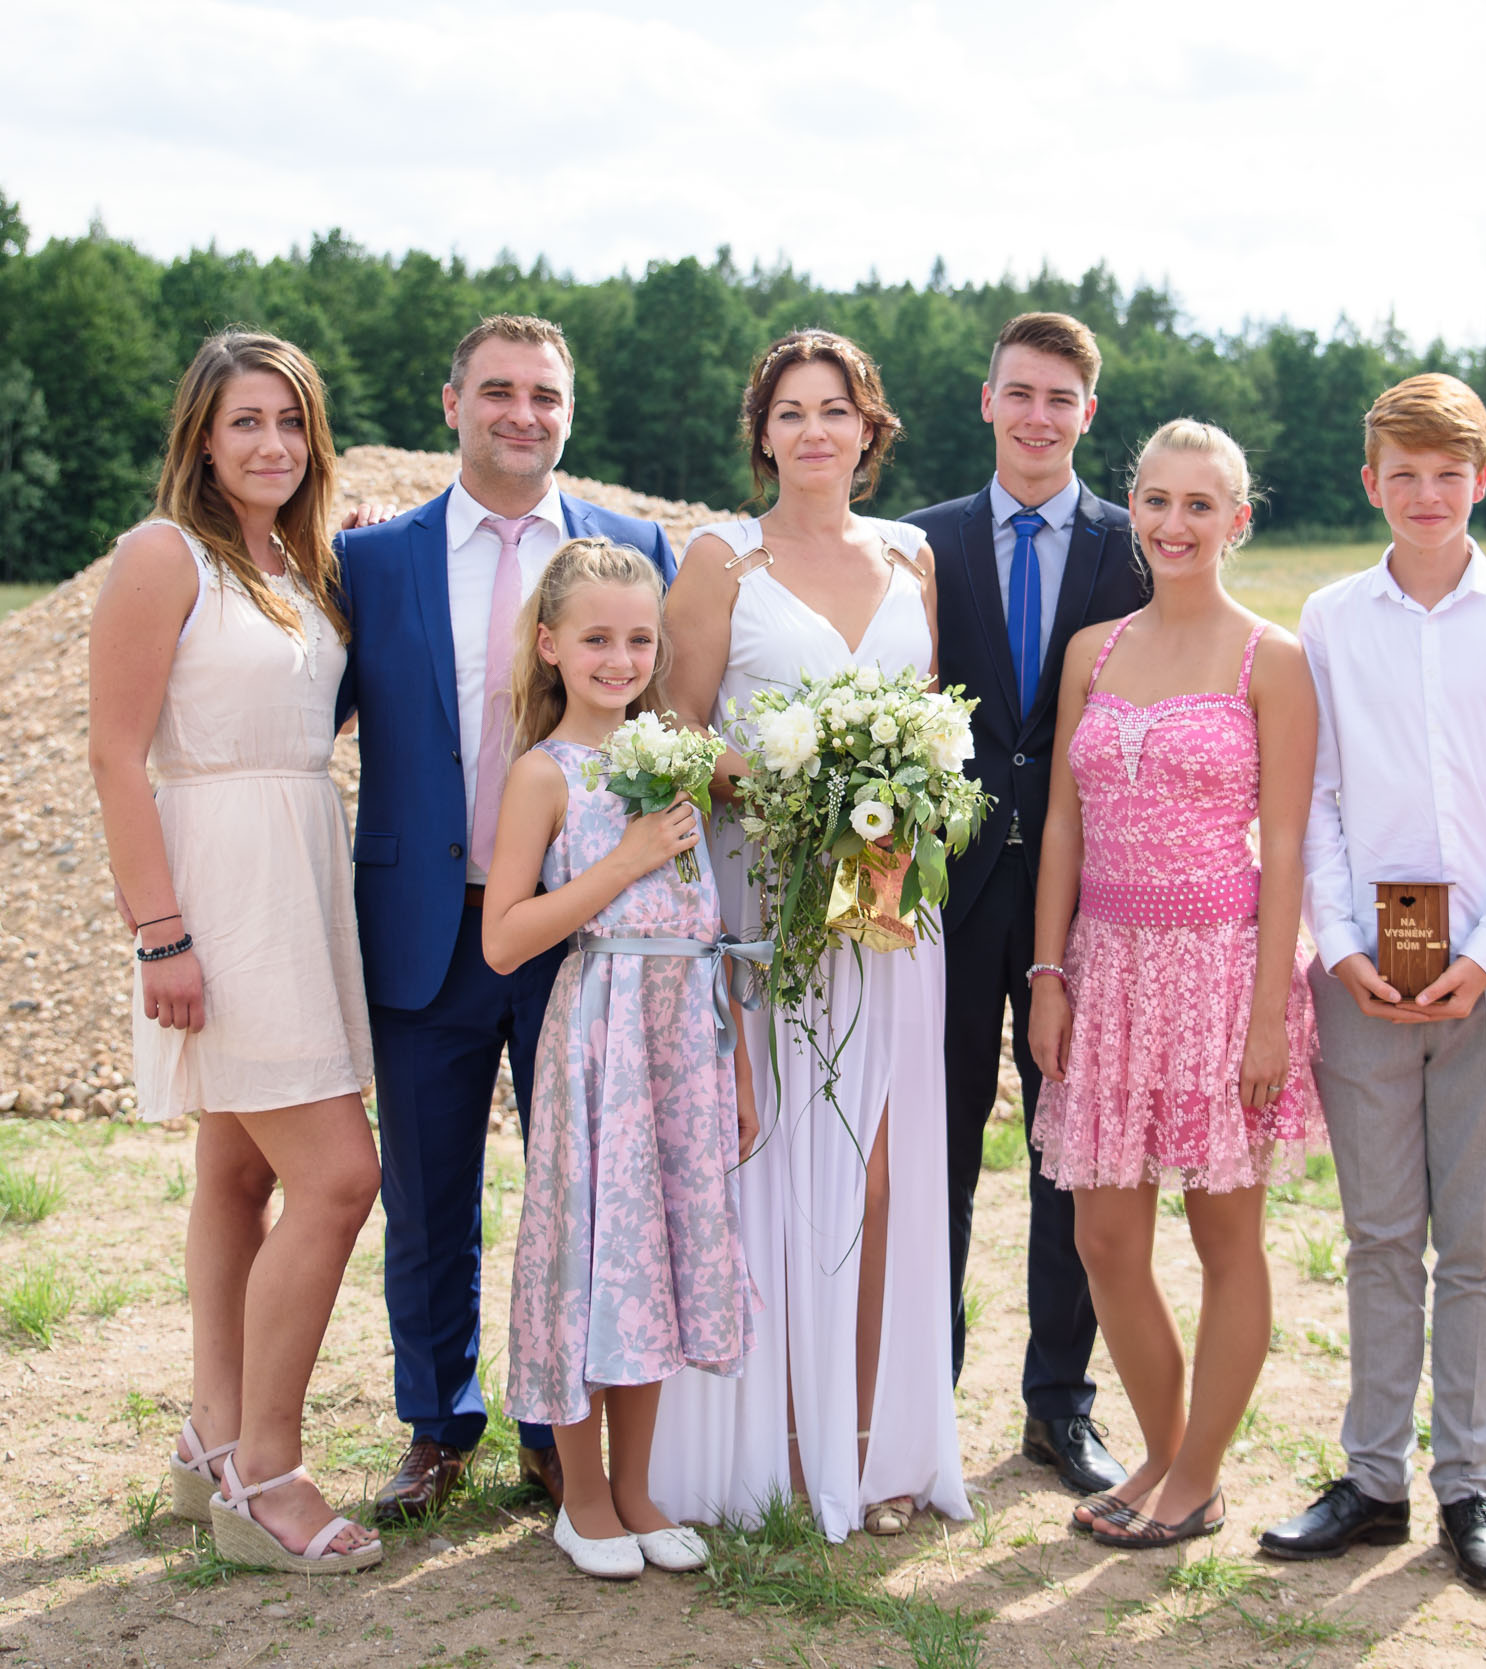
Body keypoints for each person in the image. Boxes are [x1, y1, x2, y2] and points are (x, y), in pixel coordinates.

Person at [333, 316, 680, 1524]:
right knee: (427, 1196)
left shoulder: (634, 550)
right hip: (425, 924)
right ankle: (437, 1426)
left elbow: (670, 726)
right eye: (497, 391)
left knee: (579, 1195)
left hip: (584, 935)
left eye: (544, 394)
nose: (521, 413)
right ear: (452, 404)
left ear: (569, 411)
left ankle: (556, 1433)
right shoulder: (371, 560)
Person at [1257, 374, 1486, 1591]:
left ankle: (1468, 1485)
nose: (1427, 494)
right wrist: (1339, 944)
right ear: (1370, 483)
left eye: (1448, 474)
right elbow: (1318, 794)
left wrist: (1484, 956)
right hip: (1363, 977)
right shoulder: (1331, 619)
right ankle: (1372, 1481)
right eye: (1404, 474)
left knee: (1477, 1245)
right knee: (1380, 1234)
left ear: (1480, 480)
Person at [651, 329, 971, 1543]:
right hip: (763, 906)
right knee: (771, 1167)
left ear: (869, 428)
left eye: (834, 409)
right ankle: (775, 1450)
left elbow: (930, 724)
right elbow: (676, 737)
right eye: (789, 411)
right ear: (763, 434)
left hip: (888, 914)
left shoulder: (913, 558)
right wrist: (798, 794)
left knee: (882, 1176)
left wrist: (887, 801)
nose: (813, 430)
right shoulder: (718, 561)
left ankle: (867, 1444)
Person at [87, 330, 383, 1574]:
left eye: (291, 421)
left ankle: (209, 1435)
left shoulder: (299, 564)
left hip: (302, 864)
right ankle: (269, 1470)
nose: (272, 443)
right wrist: (159, 932)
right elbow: (115, 755)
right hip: (222, 885)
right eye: (245, 421)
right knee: (339, 1177)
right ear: (201, 440)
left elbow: (301, 710)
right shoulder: (165, 555)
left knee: (238, 1167)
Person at [1026, 419, 1323, 1549]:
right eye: (1156, 500)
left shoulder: (1271, 659)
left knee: (1224, 1239)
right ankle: (1158, 1450)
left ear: (1237, 520)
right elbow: (1063, 820)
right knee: (1104, 1238)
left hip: (1220, 974)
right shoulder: (1092, 651)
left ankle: (1196, 1477)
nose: (1174, 523)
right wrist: (1048, 971)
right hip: (1105, 970)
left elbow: (1285, 846)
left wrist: (1267, 1016)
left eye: (1201, 505)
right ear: (1134, 508)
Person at [901, 312, 1146, 1499]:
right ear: (986, 400)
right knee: (936, 1152)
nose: (1039, 415)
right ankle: (922, 1405)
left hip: (1086, 902)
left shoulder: (1134, 546)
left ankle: (1059, 1405)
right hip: (946, 894)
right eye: (1020, 392)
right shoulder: (918, 544)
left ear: (1087, 413)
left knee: (1071, 1156)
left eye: (1061, 397)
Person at [481, 536, 758, 1580]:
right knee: (595, 1252)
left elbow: (705, 918)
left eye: (639, 640)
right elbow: (505, 938)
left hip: (686, 1037)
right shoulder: (542, 774)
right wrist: (625, 858)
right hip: (602, 1034)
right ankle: (583, 1496)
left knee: (659, 1257)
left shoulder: (680, 758)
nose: (620, 659)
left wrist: (737, 1067)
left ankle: (638, 1488)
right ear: (551, 644)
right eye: (596, 638)